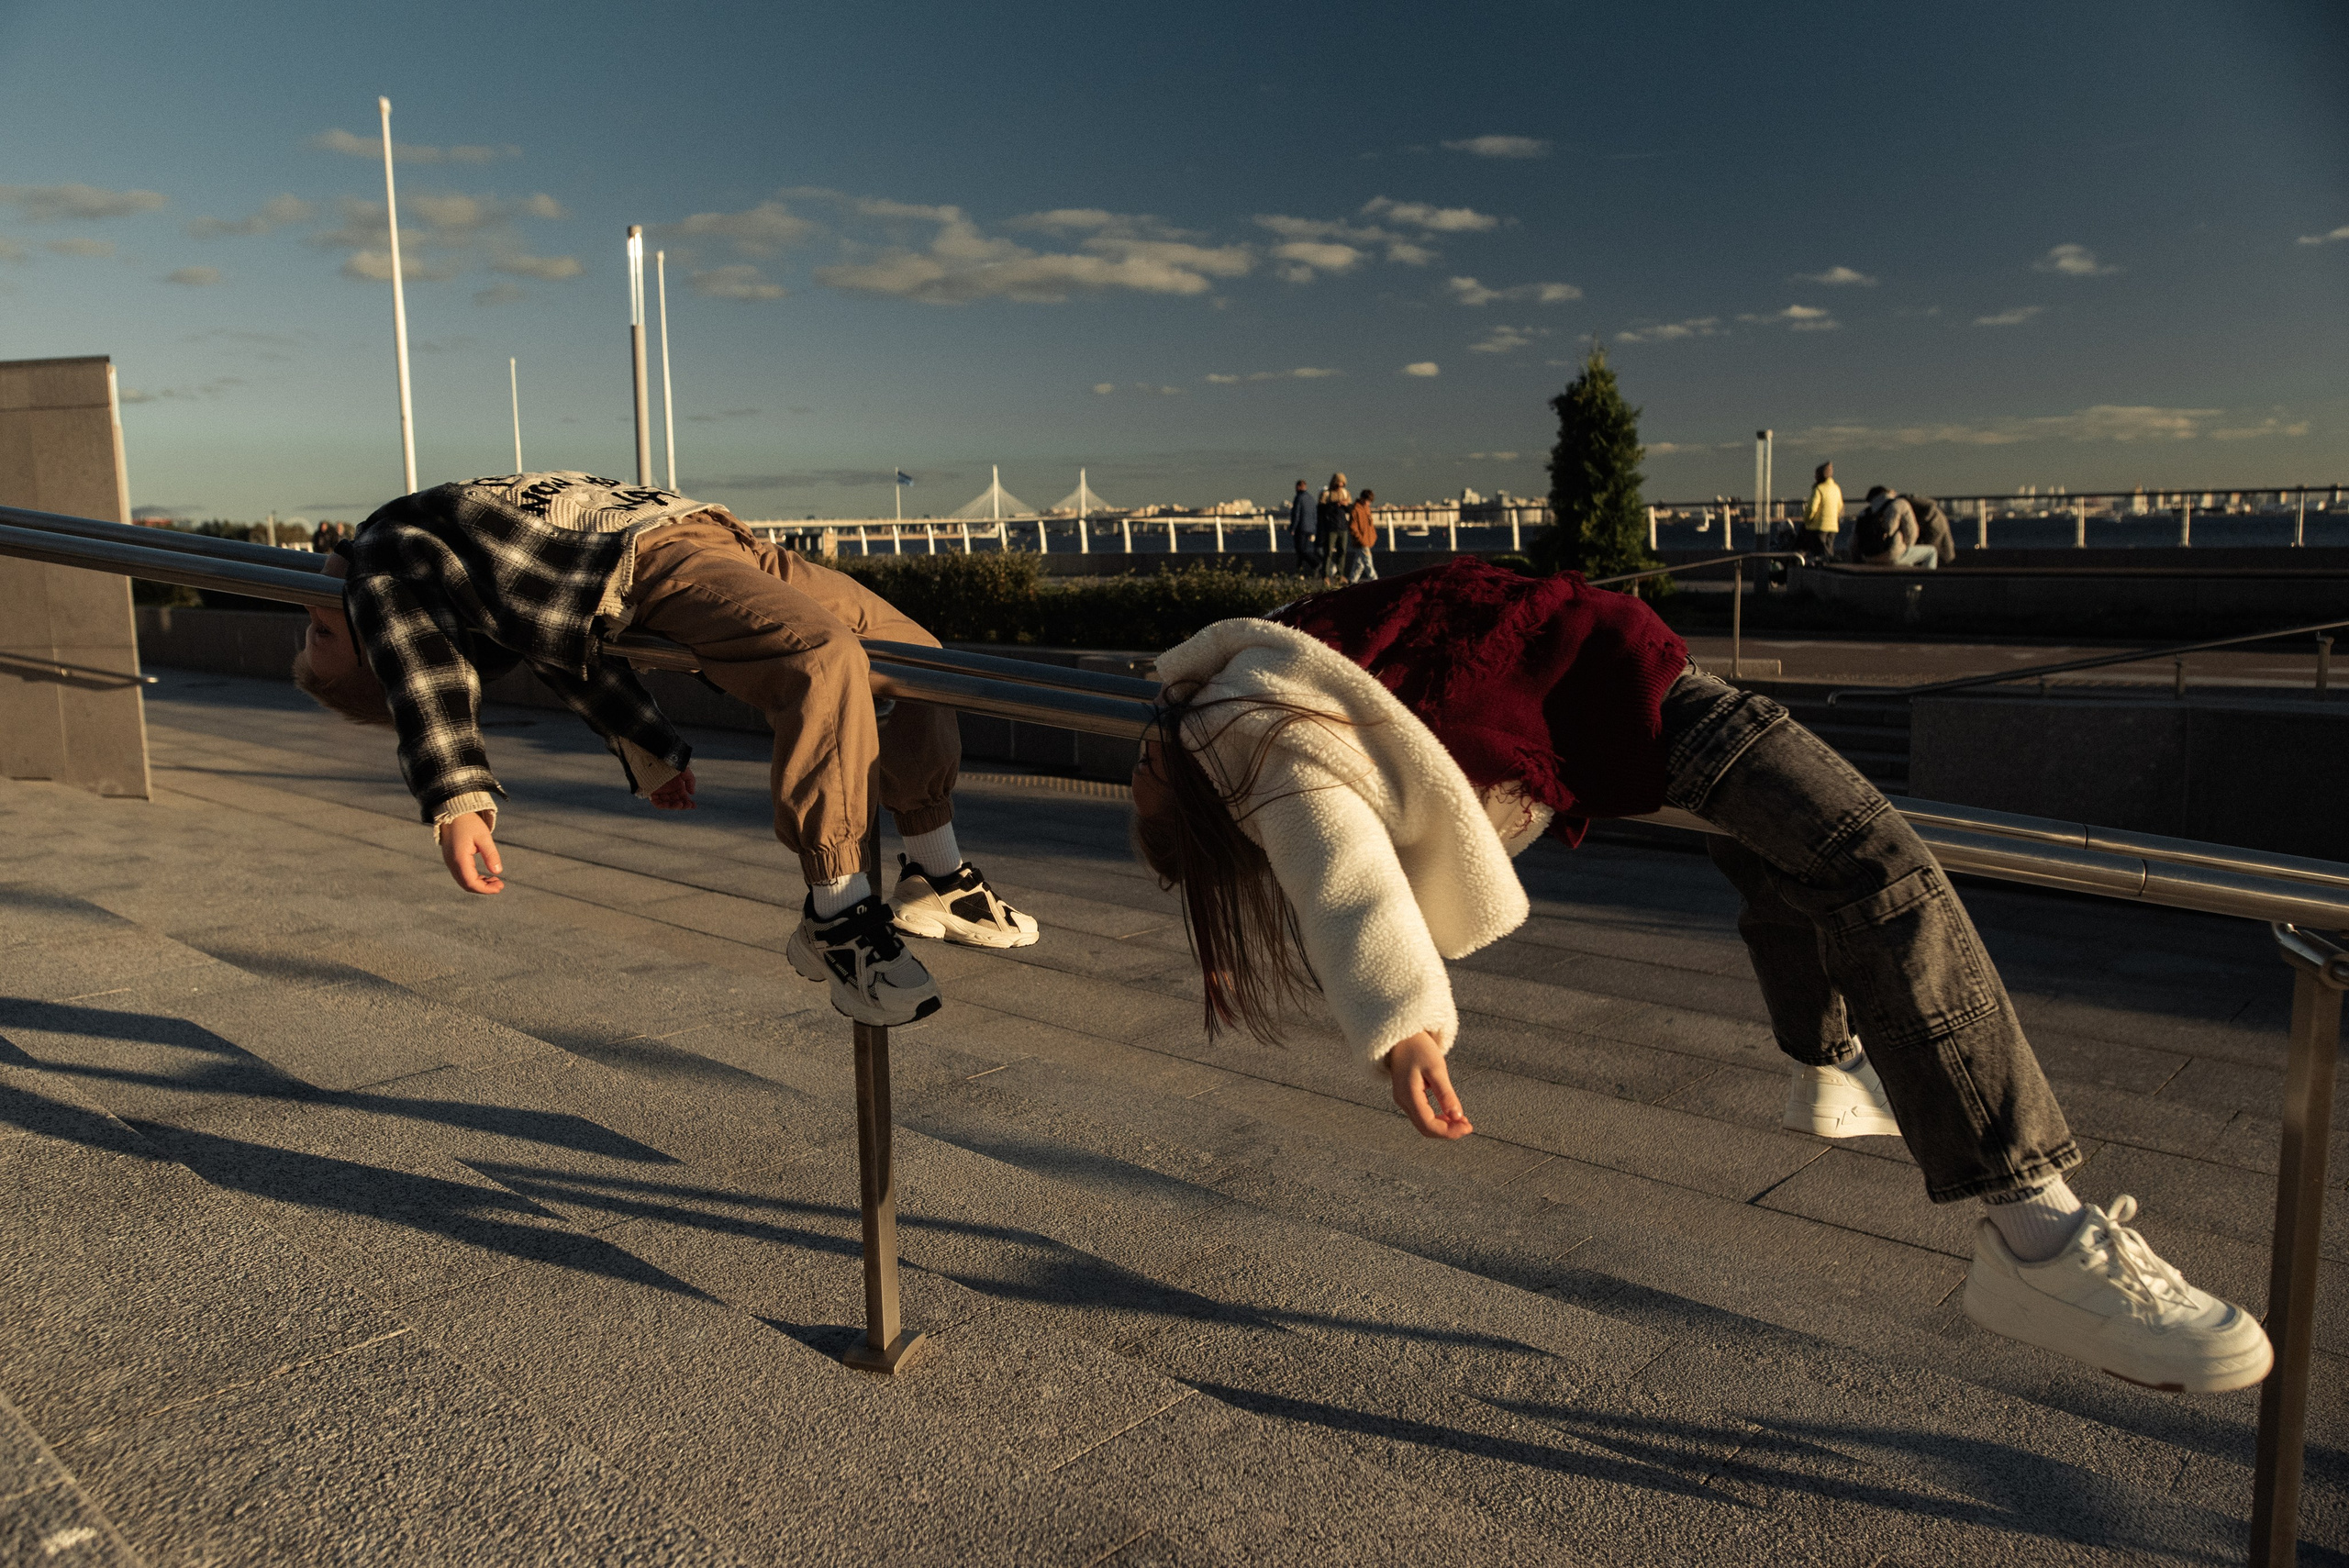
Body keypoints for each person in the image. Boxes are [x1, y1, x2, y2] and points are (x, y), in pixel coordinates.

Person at [1128, 557, 2272, 1396]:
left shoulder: (1223, 684)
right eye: (1143, 793)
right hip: (1655, 708)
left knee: (1793, 858)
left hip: (1631, 699)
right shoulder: (1235, 727)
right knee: (1876, 868)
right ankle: (2037, 1231)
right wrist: (1405, 1023)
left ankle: (1824, 1064)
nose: (1134, 765)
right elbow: (1341, 873)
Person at [289, 471, 1038, 1029]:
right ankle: (836, 913)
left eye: (313, 630)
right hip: (652, 563)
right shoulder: (386, 563)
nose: (311, 610)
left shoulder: (446, 556)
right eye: (323, 637)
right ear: (373, 654)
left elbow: (561, 646)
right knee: (822, 659)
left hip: (724, 537)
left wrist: (650, 753)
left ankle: (934, 867)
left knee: (922, 659)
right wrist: (458, 800)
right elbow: (426, 675)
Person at [1854, 485, 1939, 569]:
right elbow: (1911, 532)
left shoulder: (1864, 513)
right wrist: (1906, 546)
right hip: (1892, 554)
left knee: (1907, 561)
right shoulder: (1900, 504)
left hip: (1869, 557)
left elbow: (1854, 540)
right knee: (1931, 552)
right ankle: (1926, 581)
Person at [1800, 462, 1842, 558]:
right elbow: (1840, 506)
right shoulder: (1836, 488)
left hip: (1818, 526)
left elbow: (1812, 508)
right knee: (1828, 551)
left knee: (1819, 553)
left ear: (1820, 476)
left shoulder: (1819, 489)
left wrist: (1807, 520)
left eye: (1816, 475)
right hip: (1833, 526)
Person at [1314, 473, 1352, 583]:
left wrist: (1345, 505)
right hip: (1331, 527)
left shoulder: (1346, 493)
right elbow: (1321, 509)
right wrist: (1334, 505)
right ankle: (1325, 575)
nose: (1340, 487)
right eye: (1338, 484)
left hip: (1342, 527)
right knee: (1328, 552)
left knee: (1342, 551)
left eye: (1342, 484)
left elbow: (1350, 509)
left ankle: (1340, 575)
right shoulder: (1326, 494)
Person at [1344, 487, 1380, 583]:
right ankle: (1375, 581)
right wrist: (1361, 539)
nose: (1368, 503)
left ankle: (1352, 581)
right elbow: (1353, 527)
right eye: (1367, 500)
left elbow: (1370, 525)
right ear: (1362, 498)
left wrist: (1373, 536)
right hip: (1362, 542)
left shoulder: (1366, 509)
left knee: (1359, 564)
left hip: (1365, 541)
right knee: (1368, 563)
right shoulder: (1356, 510)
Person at [1286, 480, 1317, 573]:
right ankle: (1299, 571)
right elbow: (1314, 515)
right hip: (1310, 529)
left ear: (1299, 487)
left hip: (1301, 528)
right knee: (1303, 550)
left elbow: (1296, 514)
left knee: (1300, 550)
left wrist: (1293, 528)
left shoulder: (1299, 498)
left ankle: (1315, 564)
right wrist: (1313, 529)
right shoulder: (1311, 498)